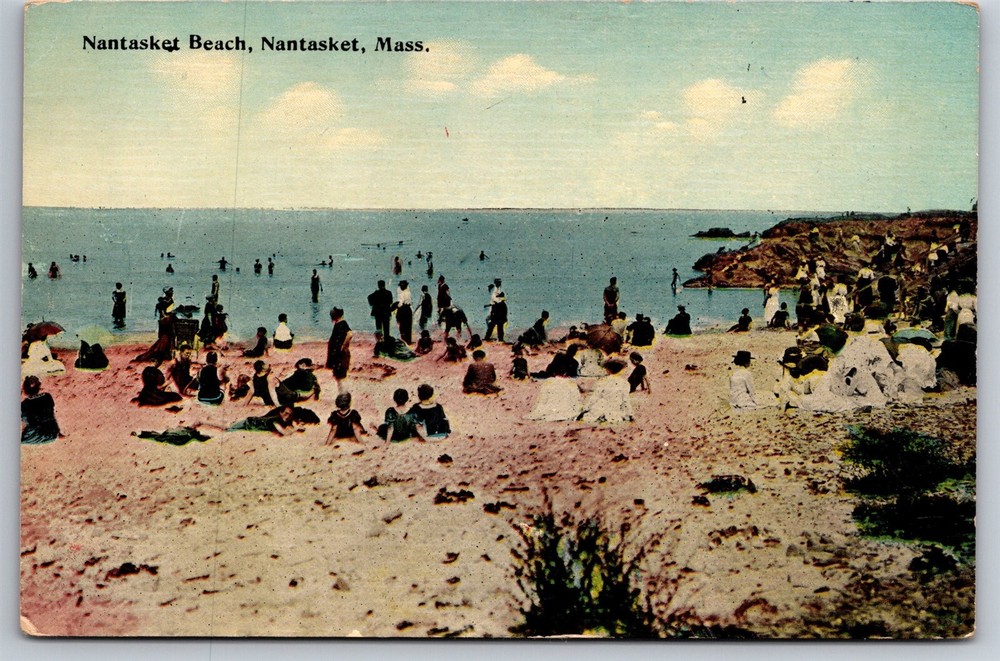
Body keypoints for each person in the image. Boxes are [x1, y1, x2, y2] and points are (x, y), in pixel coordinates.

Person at [578, 359, 634, 424]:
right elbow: (625, 401)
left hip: (601, 408)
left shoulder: (602, 381)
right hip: (614, 409)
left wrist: (585, 409)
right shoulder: (625, 383)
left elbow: (595, 397)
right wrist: (630, 414)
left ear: (608, 370)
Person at [21, 375, 61, 444]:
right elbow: (51, 415)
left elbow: (25, 423)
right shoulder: (47, 397)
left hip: (32, 437)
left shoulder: (24, 405)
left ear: (23, 390)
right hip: (51, 435)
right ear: (39, 388)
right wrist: (58, 432)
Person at [325, 307, 352, 392]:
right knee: (338, 376)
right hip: (337, 354)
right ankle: (342, 393)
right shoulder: (338, 324)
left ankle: (343, 394)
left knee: (341, 376)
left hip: (340, 355)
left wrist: (344, 346)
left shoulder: (342, 323)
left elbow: (350, 334)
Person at [228, 405, 296, 436]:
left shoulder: (279, 419)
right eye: (286, 413)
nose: (288, 416)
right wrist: (296, 429)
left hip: (250, 423)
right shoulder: (276, 420)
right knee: (227, 430)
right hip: (247, 423)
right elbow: (284, 432)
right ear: (281, 412)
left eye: (290, 415)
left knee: (227, 429)